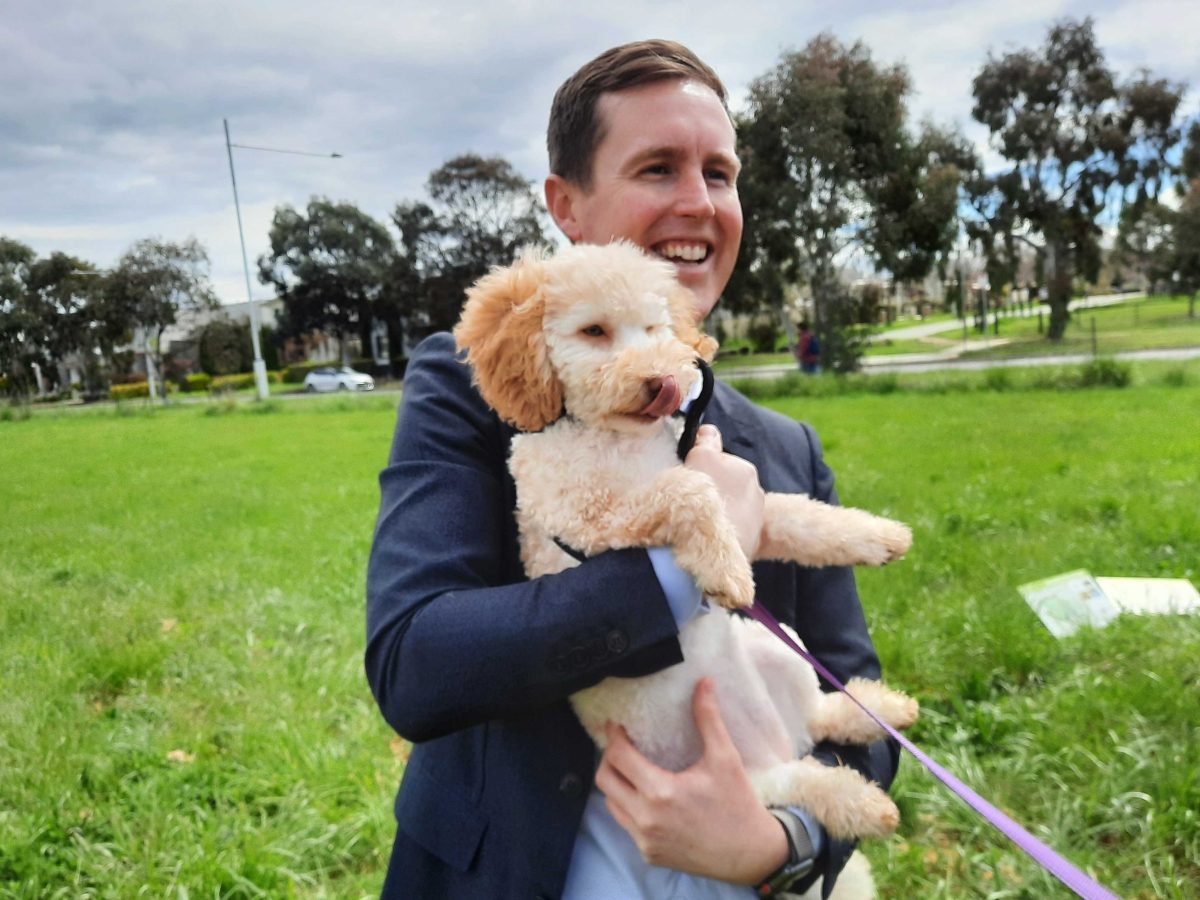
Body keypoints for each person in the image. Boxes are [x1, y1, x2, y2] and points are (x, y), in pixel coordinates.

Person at [365, 40, 899, 900]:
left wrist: (777, 843)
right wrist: (674, 568)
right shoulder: (475, 387)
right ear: (566, 205)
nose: (699, 202)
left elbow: (859, 705)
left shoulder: (785, 447)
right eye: (658, 168)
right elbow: (415, 664)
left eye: (719, 173)